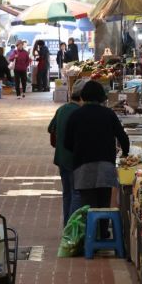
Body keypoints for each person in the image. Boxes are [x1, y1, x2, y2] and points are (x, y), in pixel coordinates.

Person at [64, 81, 129, 237]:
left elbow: (67, 143)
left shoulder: (76, 115)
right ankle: (103, 234)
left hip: (83, 167)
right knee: (104, 204)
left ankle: (90, 237)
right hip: (106, 166)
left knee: (88, 206)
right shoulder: (108, 114)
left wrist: (80, 151)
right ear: (101, 97)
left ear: (83, 96)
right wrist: (125, 155)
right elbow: (123, 138)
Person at [48, 79, 85, 226]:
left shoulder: (62, 109)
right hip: (74, 159)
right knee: (77, 194)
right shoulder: (80, 113)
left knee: (67, 194)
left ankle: (66, 226)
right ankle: (71, 230)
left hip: (61, 158)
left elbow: (51, 130)